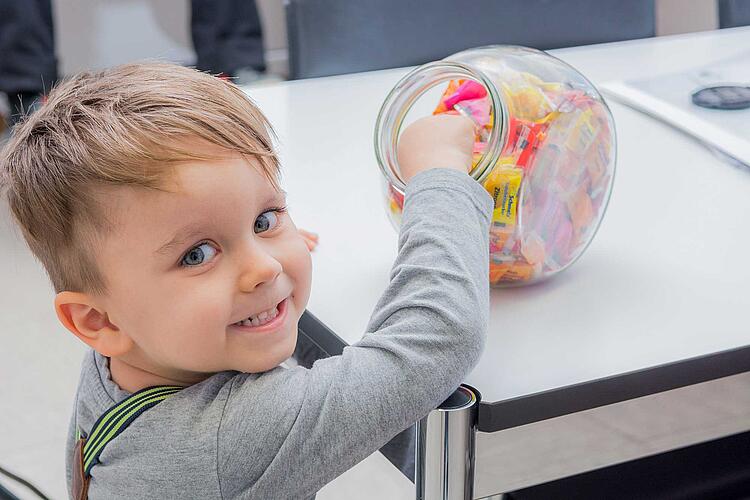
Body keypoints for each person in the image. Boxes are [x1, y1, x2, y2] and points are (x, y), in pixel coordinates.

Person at [0, 62, 491, 499]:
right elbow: (437, 340)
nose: (265, 268)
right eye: (196, 254)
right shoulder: (228, 440)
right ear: (96, 319)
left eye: (265, 219)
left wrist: (241, 243)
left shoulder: (125, 354)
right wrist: (439, 175)